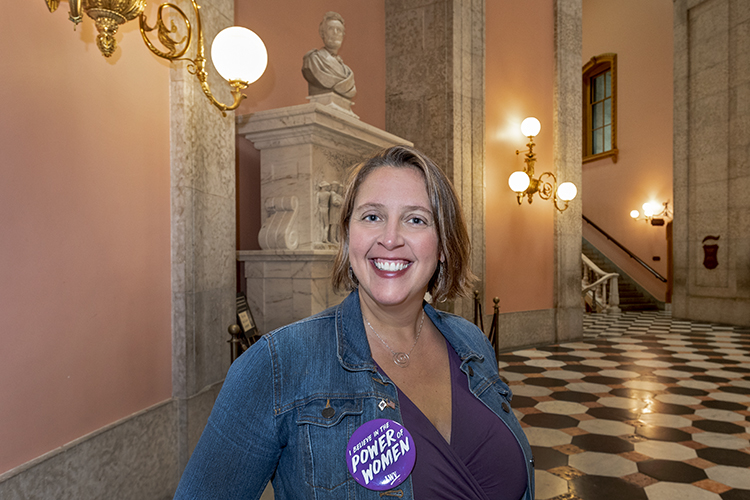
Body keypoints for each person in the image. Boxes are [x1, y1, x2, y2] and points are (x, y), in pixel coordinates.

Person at [173, 145, 534, 499]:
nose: (390, 239)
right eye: (373, 216)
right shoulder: (278, 365)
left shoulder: (471, 343)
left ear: (442, 245)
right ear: (348, 235)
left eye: (416, 219)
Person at [302, 12, 357, 99]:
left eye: (339, 30)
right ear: (322, 33)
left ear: (343, 36)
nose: (335, 32)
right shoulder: (313, 60)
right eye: (331, 29)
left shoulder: (347, 71)